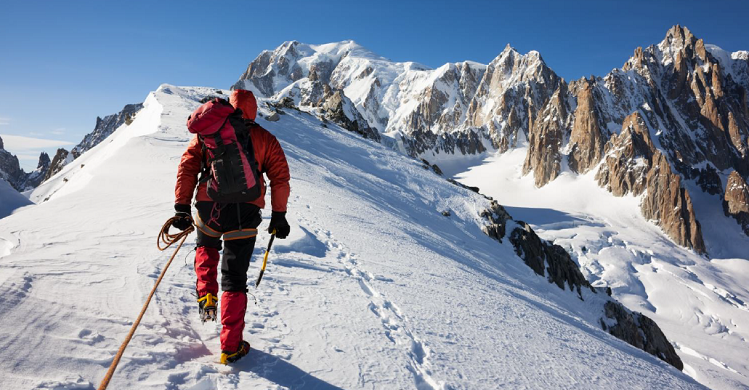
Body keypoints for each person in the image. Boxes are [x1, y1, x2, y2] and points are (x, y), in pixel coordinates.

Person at [171, 89, 291, 364]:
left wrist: (181, 206)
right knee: (235, 277)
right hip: (246, 212)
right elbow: (280, 178)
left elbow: (187, 167)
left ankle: (206, 296)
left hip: (209, 206)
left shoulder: (208, 133)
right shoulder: (265, 138)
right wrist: (279, 215)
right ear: (253, 110)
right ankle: (230, 347)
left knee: (206, 247)